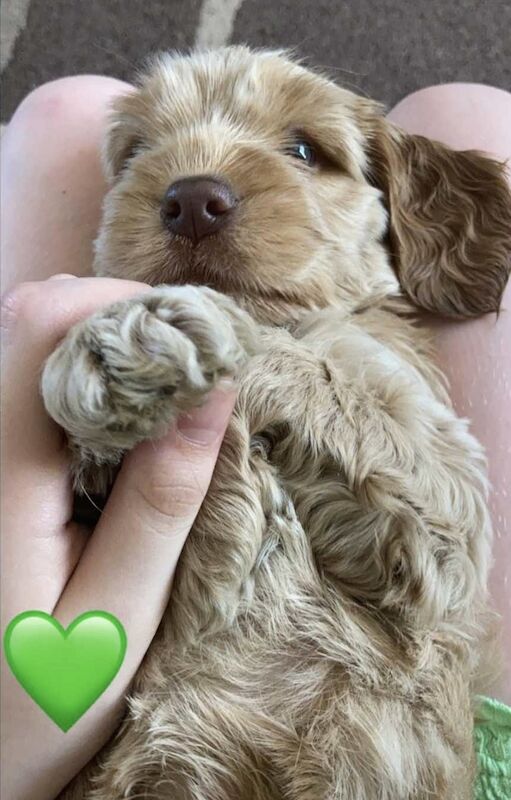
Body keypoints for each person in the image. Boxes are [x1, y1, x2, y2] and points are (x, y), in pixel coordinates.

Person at [1, 77, 510, 800]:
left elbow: (418, 562)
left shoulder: (364, 360)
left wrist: (237, 359)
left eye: (305, 150)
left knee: (61, 112)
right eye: (140, 151)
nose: (190, 194)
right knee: (473, 113)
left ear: (396, 215)